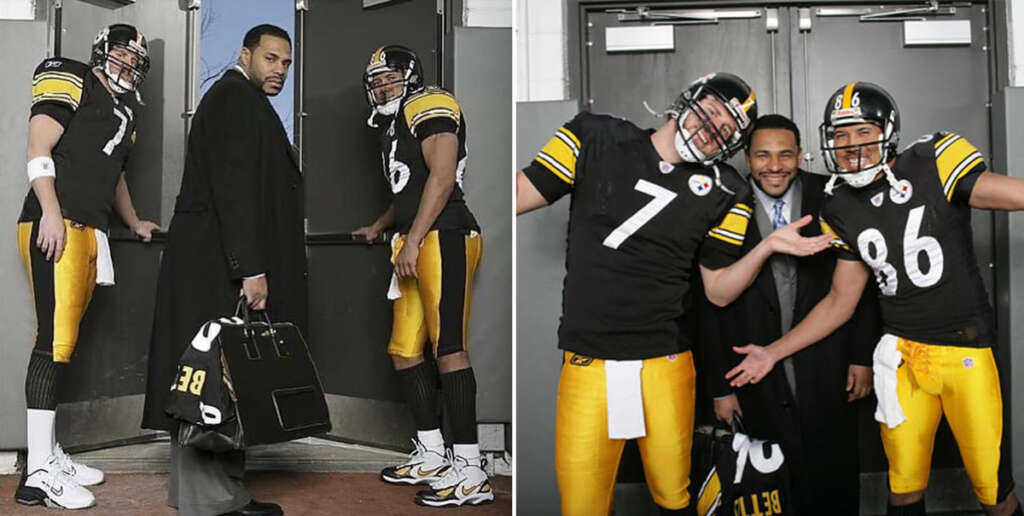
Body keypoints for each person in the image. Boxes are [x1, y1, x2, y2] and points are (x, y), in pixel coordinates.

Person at [516, 73, 834, 515]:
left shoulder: (727, 189)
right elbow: (518, 193)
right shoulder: (595, 135)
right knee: (581, 505)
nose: (715, 129)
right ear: (690, 98)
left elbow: (718, 292)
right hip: (589, 358)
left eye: (728, 129)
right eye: (715, 112)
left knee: (674, 497)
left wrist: (768, 246)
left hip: (664, 360)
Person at [726, 82, 1022, 516]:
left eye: (862, 131)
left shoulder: (930, 162)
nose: (850, 146)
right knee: (903, 485)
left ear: (888, 131)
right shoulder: (839, 204)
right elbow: (839, 303)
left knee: (992, 489)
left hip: (965, 352)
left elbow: (1012, 194)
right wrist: (772, 353)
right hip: (900, 357)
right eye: (840, 135)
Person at [141, 24, 303, 516]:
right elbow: (234, 190)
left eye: (287, 63)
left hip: (217, 259)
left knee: (220, 375)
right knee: (210, 376)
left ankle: (221, 493)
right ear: (246, 54)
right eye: (271, 59)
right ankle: (212, 502)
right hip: (218, 264)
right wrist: (250, 268)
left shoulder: (239, 98)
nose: (280, 70)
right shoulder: (233, 98)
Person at [696, 114, 880, 515]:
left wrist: (862, 355)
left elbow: (863, 287)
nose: (774, 166)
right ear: (747, 157)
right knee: (769, 485)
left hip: (827, 359)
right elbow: (706, 305)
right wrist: (719, 387)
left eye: (785, 155)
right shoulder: (722, 205)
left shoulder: (833, 195)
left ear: (800, 155)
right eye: (762, 156)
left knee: (833, 473)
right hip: (749, 366)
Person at [13, 23, 158, 510]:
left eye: (135, 59)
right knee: (52, 343)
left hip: (89, 228)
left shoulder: (125, 110)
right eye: (121, 53)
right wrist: (50, 212)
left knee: (65, 342)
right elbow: (38, 146)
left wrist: (134, 221)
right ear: (101, 52)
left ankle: (50, 454)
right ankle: (36, 473)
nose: (127, 64)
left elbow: (111, 173)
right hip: (58, 222)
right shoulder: (72, 76)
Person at [352, 45, 491, 508]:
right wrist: (382, 224)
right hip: (418, 238)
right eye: (377, 78)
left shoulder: (429, 100)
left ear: (411, 76)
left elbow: (443, 175)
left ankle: (471, 468)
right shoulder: (394, 122)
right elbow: (410, 184)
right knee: (405, 352)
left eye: (390, 75)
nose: (382, 84)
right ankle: (433, 452)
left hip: (445, 234)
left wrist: (412, 238)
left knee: (448, 348)